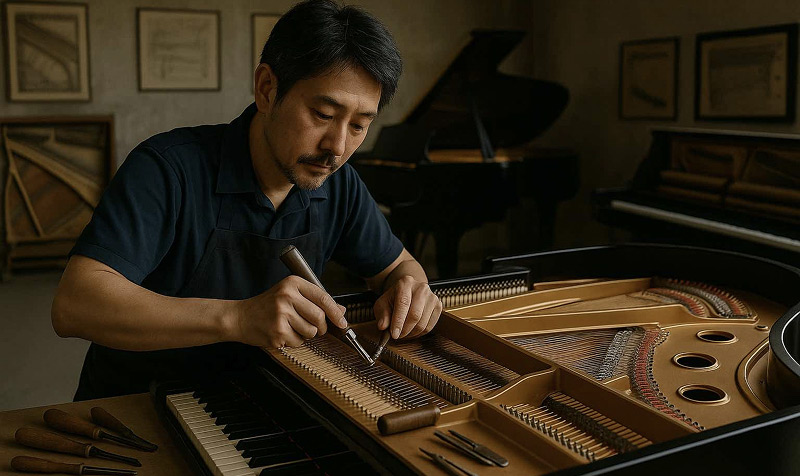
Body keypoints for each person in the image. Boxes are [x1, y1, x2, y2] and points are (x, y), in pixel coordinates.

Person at [51, 0, 442, 400]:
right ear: (267, 89)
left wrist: (410, 289)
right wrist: (236, 317)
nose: (337, 148)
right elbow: (75, 304)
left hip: (258, 404)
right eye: (323, 114)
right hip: (140, 405)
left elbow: (399, 268)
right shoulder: (168, 168)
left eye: (360, 125)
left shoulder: (339, 184)